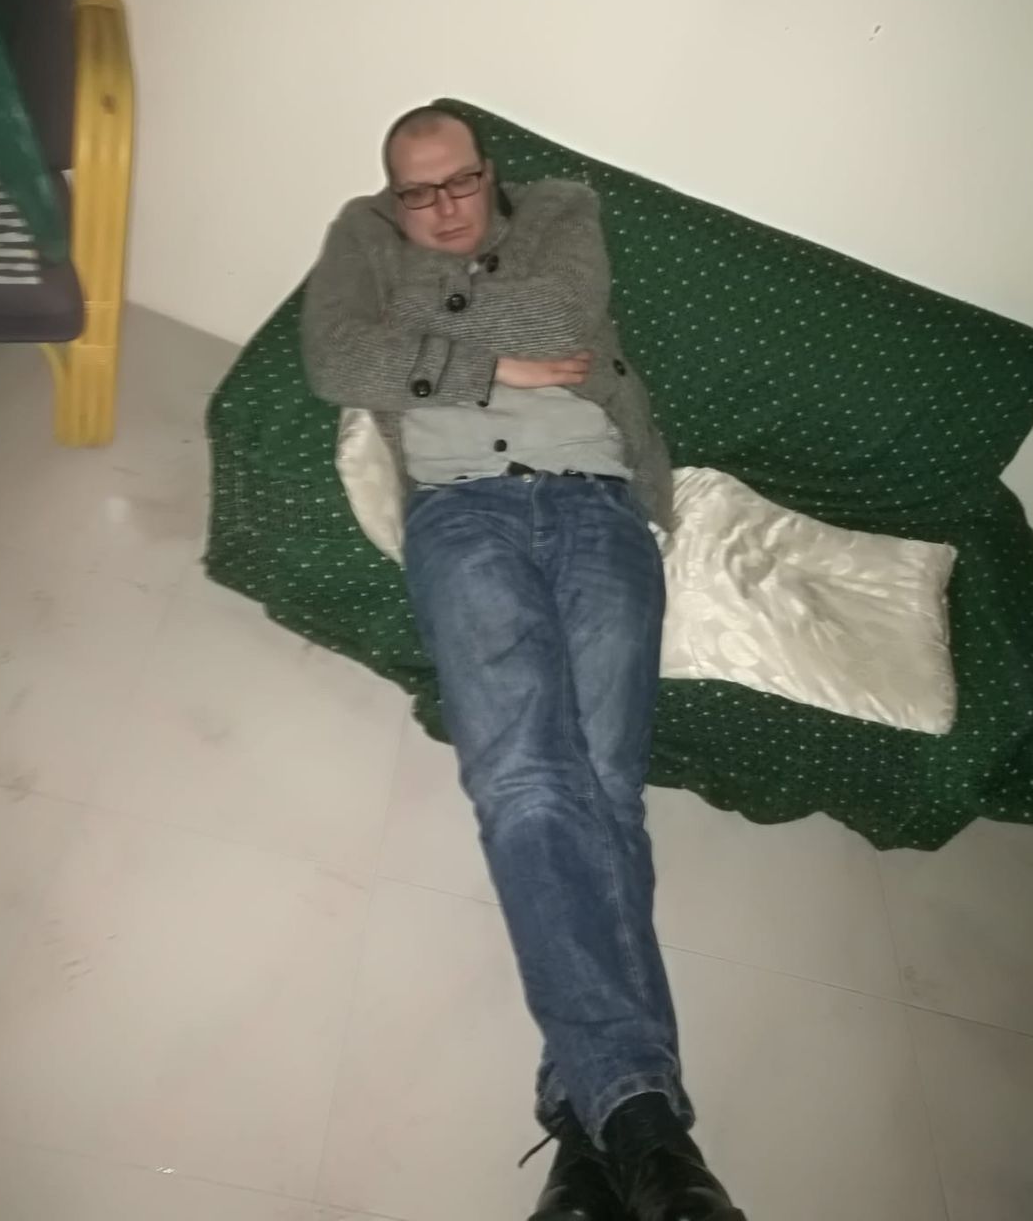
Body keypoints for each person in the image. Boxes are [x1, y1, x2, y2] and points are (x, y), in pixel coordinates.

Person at [301, 106, 747, 1221]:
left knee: (605, 791)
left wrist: (420, 333)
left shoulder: (560, 210)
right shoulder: (360, 235)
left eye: (461, 181)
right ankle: (645, 1127)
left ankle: (587, 1135)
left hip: (601, 507)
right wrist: (497, 361)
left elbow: (565, 312)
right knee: (523, 783)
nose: (445, 209)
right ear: (392, 198)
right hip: (461, 516)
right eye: (419, 194)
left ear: (490, 172)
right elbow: (334, 358)